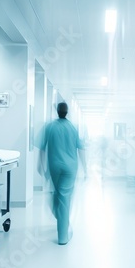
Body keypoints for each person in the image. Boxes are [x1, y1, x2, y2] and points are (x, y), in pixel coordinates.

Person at [38, 102, 87, 245]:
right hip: (70, 168)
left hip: (54, 166)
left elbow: (42, 148)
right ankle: (63, 237)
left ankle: (61, 218)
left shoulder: (49, 126)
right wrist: (86, 168)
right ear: (67, 112)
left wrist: (41, 166)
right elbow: (81, 149)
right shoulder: (73, 128)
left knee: (57, 194)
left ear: (57, 111)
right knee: (64, 198)